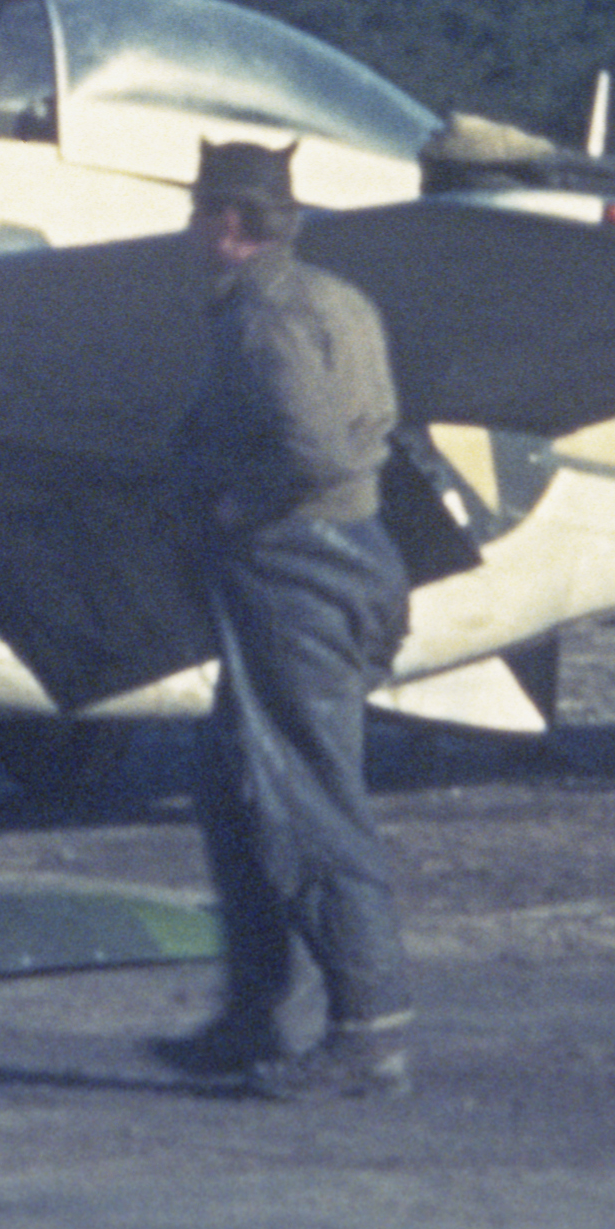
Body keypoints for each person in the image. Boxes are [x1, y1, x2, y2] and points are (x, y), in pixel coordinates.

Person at [151, 138, 417, 1102]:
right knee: (231, 780)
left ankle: (369, 1034)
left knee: (307, 796)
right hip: (354, 557)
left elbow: (304, 453)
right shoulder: (336, 297)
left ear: (228, 223)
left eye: (197, 211)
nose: (189, 227)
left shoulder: (263, 317)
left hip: (295, 569)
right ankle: (256, 1006)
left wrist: (229, 506)